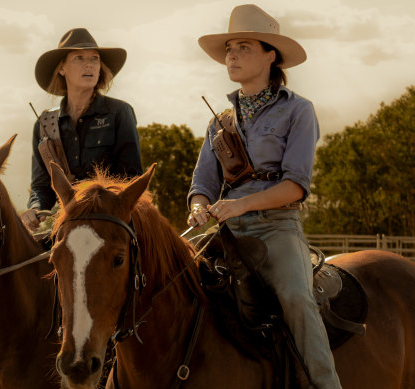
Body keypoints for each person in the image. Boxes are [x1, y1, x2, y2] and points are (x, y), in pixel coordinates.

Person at [187, 4, 341, 389]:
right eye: (229, 49)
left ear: (271, 55)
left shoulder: (299, 111)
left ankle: (326, 384)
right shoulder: (219, 123)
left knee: (296, 299)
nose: (232, 55)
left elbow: (296, 186)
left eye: (243, 47)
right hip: (224, 232)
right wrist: (198, 208)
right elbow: (202, 184)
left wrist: (241, 203)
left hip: (277, 229)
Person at [22, 28, 143, 230]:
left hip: (114, 224)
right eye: (79, 57)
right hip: (67, 225)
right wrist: (34, 208)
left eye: (95, 59)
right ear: (62, 68)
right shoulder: (44, 124)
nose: (89, 64)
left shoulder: (119, 112)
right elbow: (41, 186)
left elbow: (131, 179)